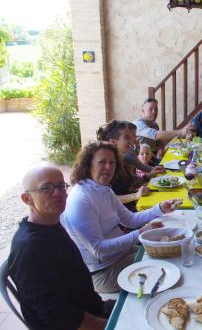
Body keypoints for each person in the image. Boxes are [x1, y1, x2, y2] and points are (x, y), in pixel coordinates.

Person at [61, 142, 182, 293]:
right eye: (102, 162)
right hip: (105, 272)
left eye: (112, 162)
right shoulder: (81, 199)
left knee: (172, 247)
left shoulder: (103, 189)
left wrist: (160, 209)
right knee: (169, 264)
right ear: (88, 165)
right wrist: (140, 233)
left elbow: (130, 220)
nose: (108, 167)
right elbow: (99, 250)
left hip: (122, 253)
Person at [7, 166, 110, 329]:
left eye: (61, 185)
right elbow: (60, 317)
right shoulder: (28, 249)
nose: (58, 193)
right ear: (27, 198)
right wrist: (114, 325)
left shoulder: (51, 223)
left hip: (91, 309)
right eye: (46, 188)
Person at [96, 120, 159, 209]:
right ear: (113, 142)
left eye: (131, 137)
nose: (132, 140)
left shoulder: (121, 159)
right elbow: (104, 199)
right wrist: (135, 195)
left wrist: (148, 176)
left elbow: (129, 185)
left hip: (128, 211)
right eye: (126, 137)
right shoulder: (105, 166)